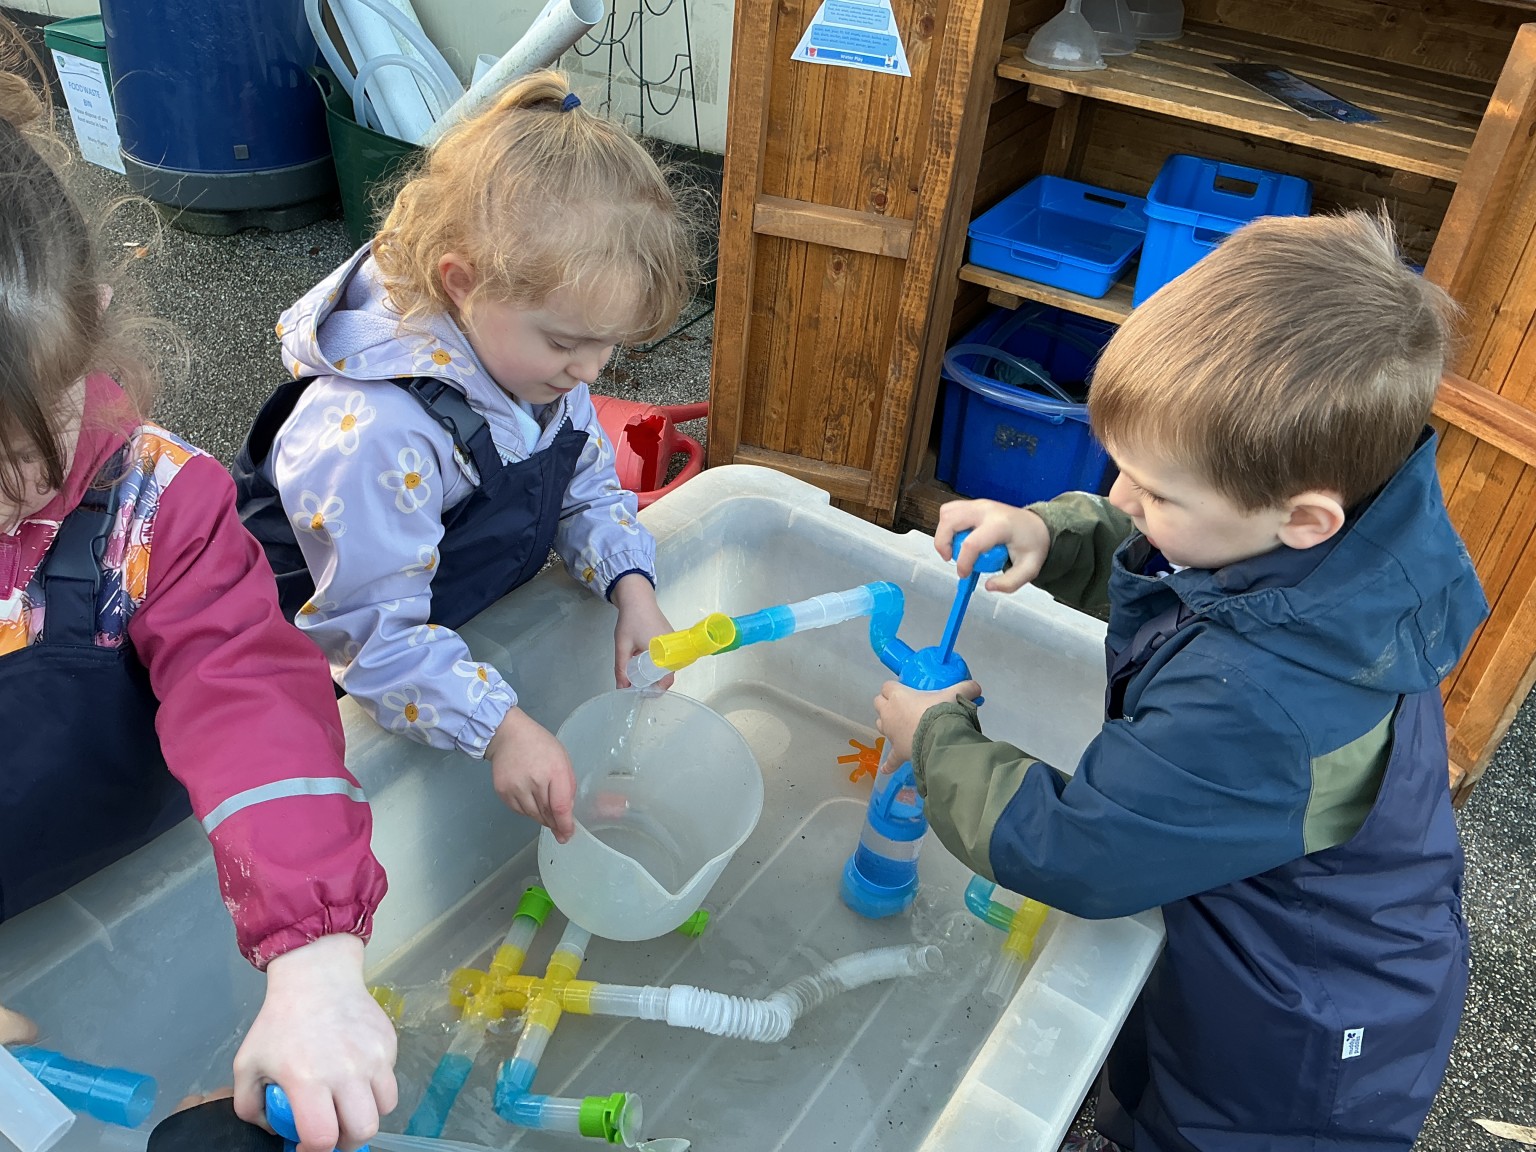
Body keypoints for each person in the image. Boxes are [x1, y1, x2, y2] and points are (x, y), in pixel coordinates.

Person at [872, 211, 1489, 1152]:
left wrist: (935, 737)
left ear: (1305, 519)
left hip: (1294, 1034)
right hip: (1276, 932)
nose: (1125, 498)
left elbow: (1078, 851)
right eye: (1122, 467)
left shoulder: (1256, 700)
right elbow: (1185, 573)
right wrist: (1055, 534)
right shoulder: (1342, 546)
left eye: (1155, 492)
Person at [0, 39, 393, 1152]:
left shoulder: (152, 505)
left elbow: (252, 697)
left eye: (25, 443)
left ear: (91, 325)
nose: (10, 497)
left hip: (183, 885)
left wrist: (313, 957)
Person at [234, 72, 699, 844]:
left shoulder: (537, 364)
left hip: (441, 635)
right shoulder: (374, 431)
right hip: (327, 672)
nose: (590, 371)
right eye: (567, 342)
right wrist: (496, 725)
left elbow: (584, 488)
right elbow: (370, 636)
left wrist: (632, 585)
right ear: (462, 282)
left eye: (609, 343)